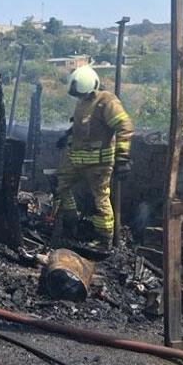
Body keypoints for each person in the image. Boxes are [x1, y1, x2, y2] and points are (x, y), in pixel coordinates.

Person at [54, 65, 134, 249]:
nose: (79, 97)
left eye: (81, 93)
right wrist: (67, 135)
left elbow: (125, 126)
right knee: (60, 187)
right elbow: (82, 128)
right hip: (76, 159)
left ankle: (104, 240)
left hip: (99, 163)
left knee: (101, 200)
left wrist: (122, 157)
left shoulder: (106, 102)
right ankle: (70, 222)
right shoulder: (83, 101)